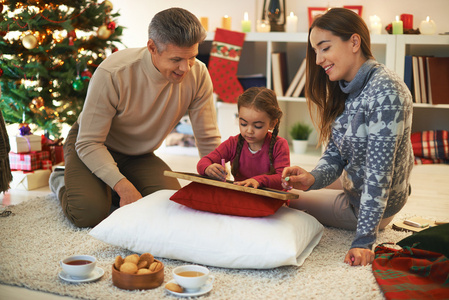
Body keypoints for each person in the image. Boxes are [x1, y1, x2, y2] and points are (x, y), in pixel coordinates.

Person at [50, 8, 221, 228]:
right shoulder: (113, 73)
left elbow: (207, 137)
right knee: (89, 214)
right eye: (176, 59)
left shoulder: (198, 74)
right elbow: (89, 142)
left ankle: (107, 186)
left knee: (171, 206)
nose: (185, 68)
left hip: (138, 154)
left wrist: (221, 183)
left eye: (192, 58)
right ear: (152, 48)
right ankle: (61, 180)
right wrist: (124, 187)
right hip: (91, 145)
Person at [281, 8, 414, 266]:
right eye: (315, 51)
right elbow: (335, 154)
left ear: (354, 42)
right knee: (288, 185)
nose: (318, 59)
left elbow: (379, 174)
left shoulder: (385, 91)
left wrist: (363, 241)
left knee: (289, 200)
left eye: (325, 48)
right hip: (355, 186)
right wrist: (312, 178)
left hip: (372, 205)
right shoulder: (348, 88)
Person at [197, 87, 290, 190]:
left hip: (270, 199)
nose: (249, 131)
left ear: (272, 124)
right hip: (243, 196)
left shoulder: (279, 145)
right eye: (243, 124)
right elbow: (204, 161)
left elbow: (284, 178)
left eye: (257, 126)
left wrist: (258, 181)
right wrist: (208, 168)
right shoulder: (233, 143)